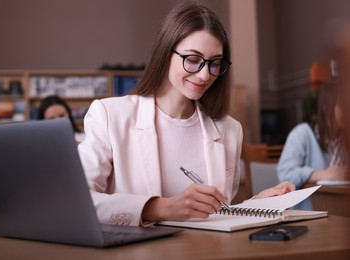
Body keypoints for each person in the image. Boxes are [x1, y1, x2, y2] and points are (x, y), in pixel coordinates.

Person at [78, 1, 294, 226]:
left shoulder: (230, 130)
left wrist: (258, 204)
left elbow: (216, 213)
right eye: (192, 60)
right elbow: (79, 201)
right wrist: (158, 208)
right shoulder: (109, 116)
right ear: (165, 52)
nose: (204, 75)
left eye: (215, 63)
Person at [277, 81, 348, 210]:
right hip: (308, 214)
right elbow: (285, 173)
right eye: (343, 105)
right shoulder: (302, 133)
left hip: (339, 210)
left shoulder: (344, 140)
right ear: (327, 107)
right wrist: (324, 174)